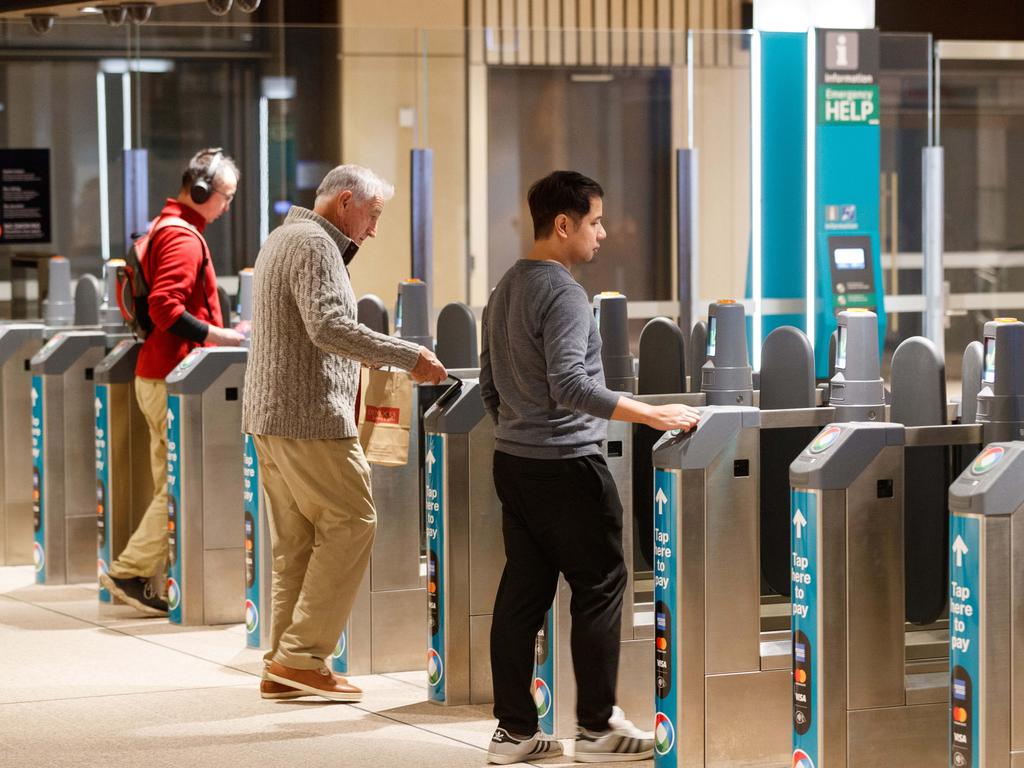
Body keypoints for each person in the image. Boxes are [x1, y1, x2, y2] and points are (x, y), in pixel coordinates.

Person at [481, 171, 701, 764]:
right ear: (563, 225)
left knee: (522, 593)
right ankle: (598, 727)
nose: (602, 233)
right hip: (568, 465)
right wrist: (651, 415)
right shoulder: (564, 293)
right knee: (601, 585)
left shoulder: (502, 289)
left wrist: (518, 429)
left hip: (514, 462)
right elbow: (572, 385)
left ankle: (514, 730)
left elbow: (489, 386)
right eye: (595, 221)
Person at [241, 164, 447, 703]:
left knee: (298, 545)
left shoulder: (282, 237)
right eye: (374, 215)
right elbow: (328, 326)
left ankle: (283, 665)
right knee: (354, 522)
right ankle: (302, 657)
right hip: (309, 417)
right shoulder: (315, 244)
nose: (373, 229)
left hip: (270, 417)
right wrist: (408, 355)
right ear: (347, 201)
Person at [100, 148, 245, 615]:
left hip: (159, 375)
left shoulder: (166, 227)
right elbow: (166, 307)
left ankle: (145, 572)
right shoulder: (183, 238)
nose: (226, 207)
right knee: (177, 483)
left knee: (171, 477)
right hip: (173, 377)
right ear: (202, 192)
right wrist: (219, 336)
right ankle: (130, 570)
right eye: (225, 197)